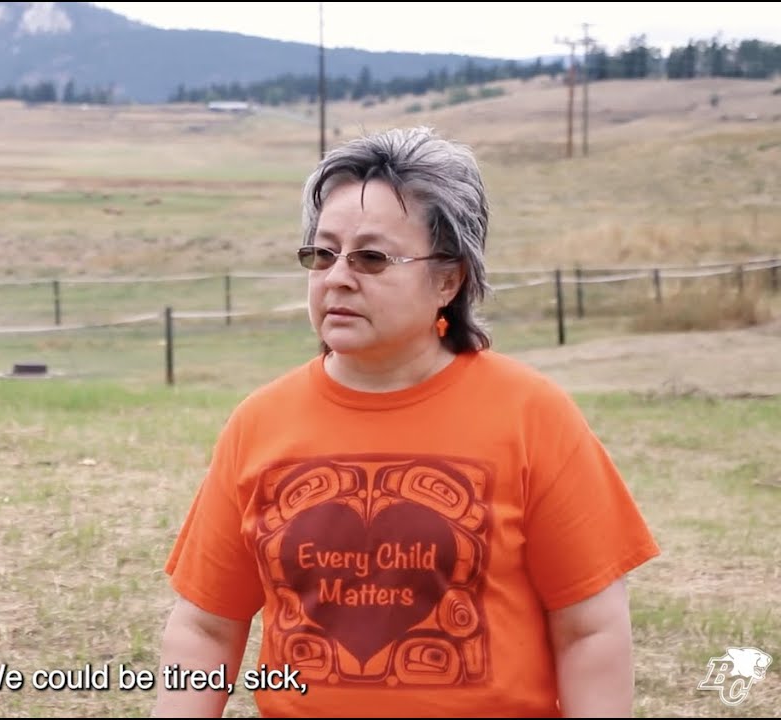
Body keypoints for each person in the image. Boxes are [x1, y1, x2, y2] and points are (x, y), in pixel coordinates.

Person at [154, 126, 660, 718]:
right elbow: (206, 629)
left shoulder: (532, 416)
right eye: (323, 253)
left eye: (371, 257)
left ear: (449, 279)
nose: (337, 276)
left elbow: (590, 631)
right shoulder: (260, 423)